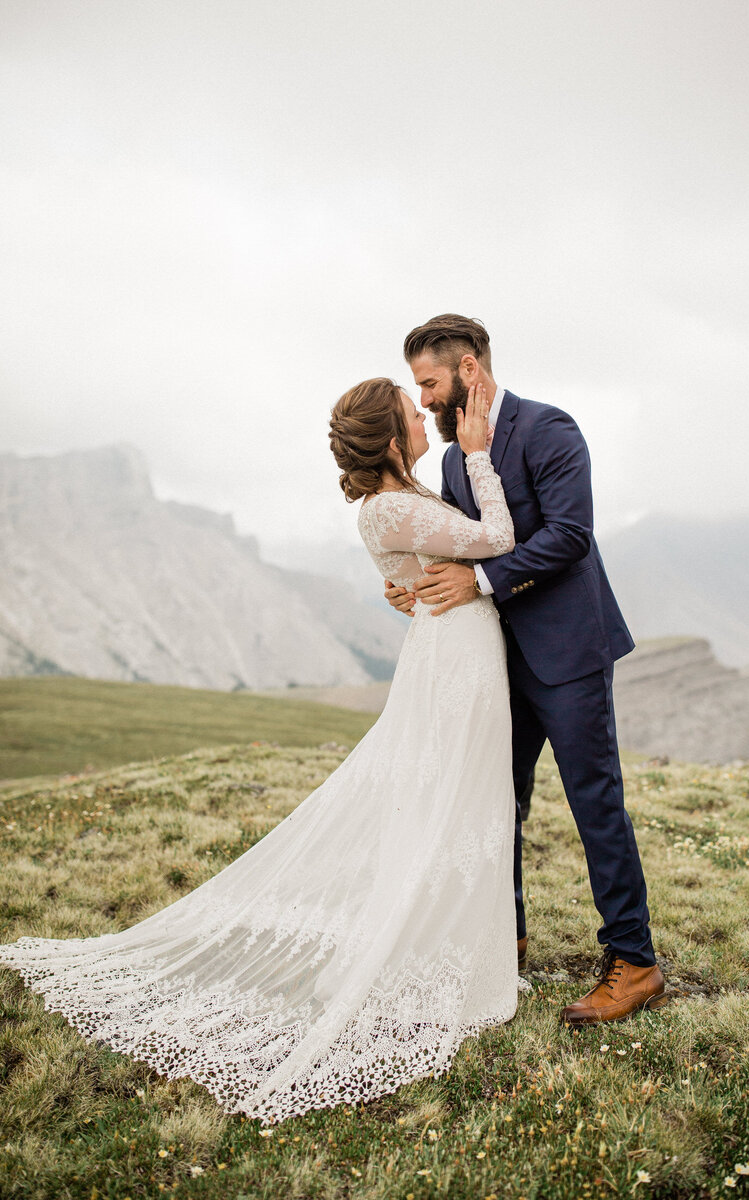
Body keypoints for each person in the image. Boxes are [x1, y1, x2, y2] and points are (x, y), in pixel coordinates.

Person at [0, 378, 526, 1125]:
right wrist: (476, 456)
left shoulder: (390, 505)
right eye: (411, 414)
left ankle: (457, 957)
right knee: (452, 806)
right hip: (455, 664)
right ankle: (430, 961)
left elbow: (421, 566)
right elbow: (499, 539)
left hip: (451, 654)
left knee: (457, 805)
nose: (423, 417)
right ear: (388, 438)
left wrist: (414, 578)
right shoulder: (396, 505)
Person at [385, 314, 667, 1025]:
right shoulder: (454, 461)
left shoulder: (551, 428)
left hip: (569, 654)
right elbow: (464, 546)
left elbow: (571, 536)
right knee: (494, 803)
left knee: (593, 803)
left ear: (468, 372)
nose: (423, 402)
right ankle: (502, 939)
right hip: (496, 662)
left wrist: (479, 584)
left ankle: (634, 962)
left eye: (429, 385)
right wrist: (415, 585)